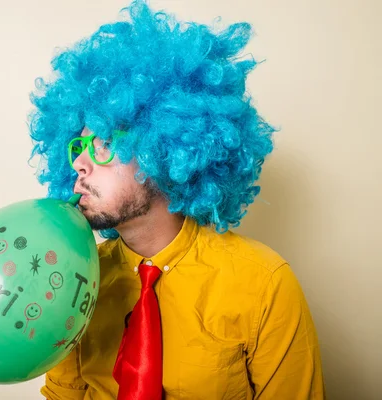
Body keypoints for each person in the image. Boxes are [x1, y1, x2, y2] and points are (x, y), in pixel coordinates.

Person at [26, 1, 326, 399]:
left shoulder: (264, 284)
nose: (80, 162)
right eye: (78, 145)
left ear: (162, 149)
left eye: (103, 142)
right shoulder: (73, 282)